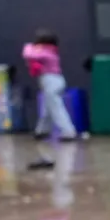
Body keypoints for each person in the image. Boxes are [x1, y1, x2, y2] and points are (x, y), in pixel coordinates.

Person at [23, 30, 76, 170]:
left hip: (52, 81)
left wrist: (29, 46)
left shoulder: (47, 52)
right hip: (51, 82)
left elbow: (28, 53)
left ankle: (68, 132)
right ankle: (41, 131)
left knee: (56, 108)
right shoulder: (50, 51)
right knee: (47, 109)